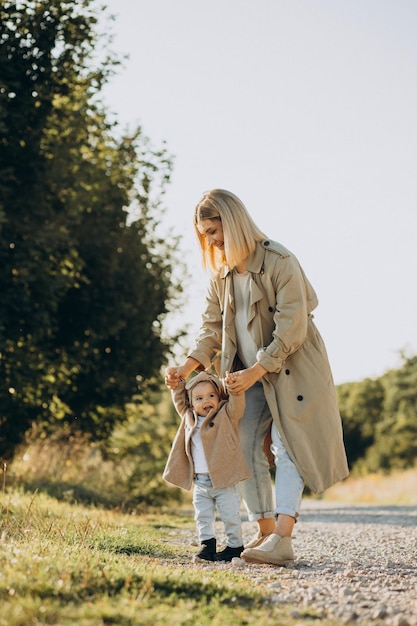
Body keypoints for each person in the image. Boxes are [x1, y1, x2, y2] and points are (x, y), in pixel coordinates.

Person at [165, 188, 349, 566]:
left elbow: (292, 328)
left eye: (214, 232)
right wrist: (185, 370)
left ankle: (282, 538)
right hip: (245, 377)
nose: (211, 242)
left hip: (292, 371)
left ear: (232, 224)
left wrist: (255, 371)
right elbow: (210, 329)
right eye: (205, 235)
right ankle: (264, 531)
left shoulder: (281, 261)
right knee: (240, 445)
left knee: (288, 446)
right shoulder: (222, 275)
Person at [163, 370, 250, 562]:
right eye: (200, 398)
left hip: (224, 481)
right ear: (191, 403)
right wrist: (176, 384)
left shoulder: (226, 415)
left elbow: (237, 405)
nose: (206, 401)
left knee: (230, 515)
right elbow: (178, 398)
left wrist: (234, 388)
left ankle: (235, 546)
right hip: (200, 482)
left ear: (219, 397)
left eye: (212, 396)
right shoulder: (188, 416)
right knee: (202, 515)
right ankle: (207, 546)